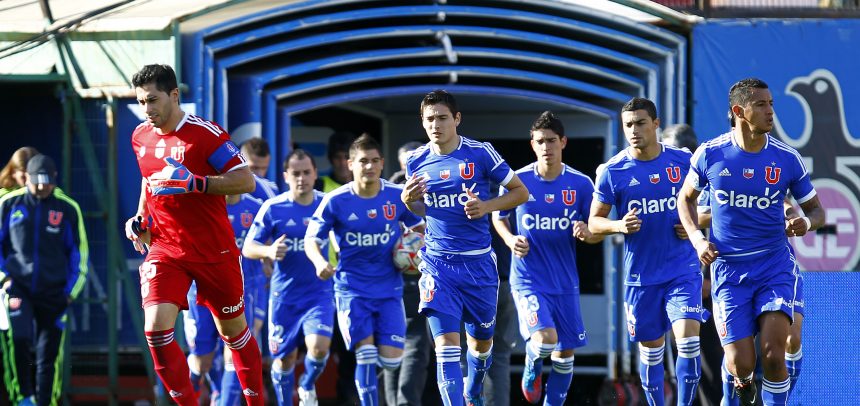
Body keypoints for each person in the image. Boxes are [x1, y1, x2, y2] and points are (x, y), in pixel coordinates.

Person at [676, 78, 824, 406]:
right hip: (729, 272)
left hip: (773, 266)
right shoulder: (710, 154)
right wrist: (699, 241)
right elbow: (684, 201)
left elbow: (817, 211)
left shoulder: (786, 158)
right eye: (761, 104)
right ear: (739, 111)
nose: (770, 111)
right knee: (741, 363)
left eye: (771, 103)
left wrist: (806, 221)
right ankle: (743, 385)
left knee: (774, 353)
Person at [124, 64, 263, 406]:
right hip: (166, 249)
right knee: (156, 330)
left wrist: (197, 183)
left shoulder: (205, 135)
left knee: (233, 333)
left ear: (174, 95)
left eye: (153, 100)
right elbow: (149, 179)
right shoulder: (140, 136)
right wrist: (140, 217)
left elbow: (245, 181)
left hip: (213, 250)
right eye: (141, 102)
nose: (147, 110)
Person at [401, 89, 529, 406]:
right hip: (437, 265)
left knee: (481, 347)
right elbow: (422, 210)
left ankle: (473, 391)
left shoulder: (480, 153)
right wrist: (408, 201)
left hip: (479, 267)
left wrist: (486, 207)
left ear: (456, 119)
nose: (436, 125)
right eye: (429, 119)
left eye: (442, 118)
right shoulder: (416, 160)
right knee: (445, 347)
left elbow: (520, 192)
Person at [589, 98, 706, 406]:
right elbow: (594, 222)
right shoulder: (613, 171)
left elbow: (713, 207)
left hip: (682, 269)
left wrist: (692, 223)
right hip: (641, 276)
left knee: (688, 340)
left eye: (640, 123)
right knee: (651, 351)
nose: (634, 130)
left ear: (656, 124)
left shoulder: (683, 161)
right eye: (628, 125)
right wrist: (618, 226)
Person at [492, 111, 604, 405]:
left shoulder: (580, 184)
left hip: (565, 282)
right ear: (532, 144)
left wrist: (587, 231)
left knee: (565, 353)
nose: (546, 147)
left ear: (563, 142)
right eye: (540, 141)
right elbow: (499, 216)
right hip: (529, 280)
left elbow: (597, 230)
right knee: (545, 340)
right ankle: (531, 364)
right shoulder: (519, 181)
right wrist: (509, 238)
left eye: (551, 141)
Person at [305, 135, 424, 406]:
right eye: (362, 161)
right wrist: (319, 262)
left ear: (382, 163)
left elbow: (419, 225)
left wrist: (415, 247)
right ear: (350, 164)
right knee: (366, 354)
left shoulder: (396, 195)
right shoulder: (336, 200)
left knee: (392, 361)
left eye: (373, 161)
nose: (368, 166)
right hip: (352, 290)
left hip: (390, 290)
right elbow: (312, 238)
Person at [243, 149, 334, 406]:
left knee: (318, 348)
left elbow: (344, 236)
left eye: (307, 172)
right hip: (284, 296)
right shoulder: (273, 207)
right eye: (296, 173)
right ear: (286, 176)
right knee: (284, 360)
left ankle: (306, 385)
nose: (302, 178)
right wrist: (269, 250)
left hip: (319, 293)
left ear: (316, 174)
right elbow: (248, 247)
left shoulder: (327, 203)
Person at [0, 154, 89, 406]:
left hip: (55, 292)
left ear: (55, 179)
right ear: (25, 178)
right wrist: (5, 278)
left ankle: (45, 402)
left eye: (47, 181)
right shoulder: (9, 204)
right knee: (19, 339)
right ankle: (23, 398)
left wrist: (71, 291)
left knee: (47, 355)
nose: (41, 186)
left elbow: (79, 253)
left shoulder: (68, 208)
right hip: (17, 287)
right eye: (36, 181)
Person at [384, 140, 433, 406]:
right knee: (397, 346)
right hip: (395, 280)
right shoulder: (390, 191)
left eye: (412, 163)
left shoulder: (436, 186)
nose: (408, 170)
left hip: (429, 278)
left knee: (417, 348)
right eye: (404, 165)